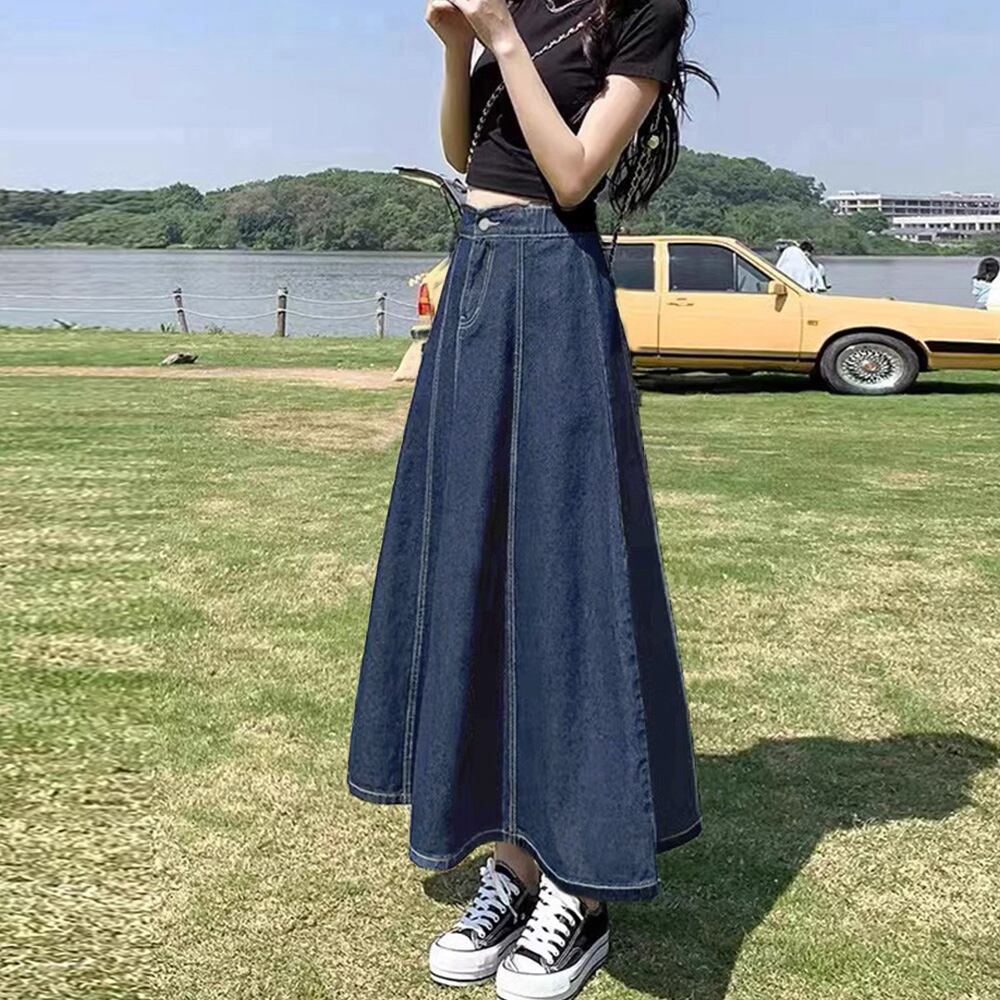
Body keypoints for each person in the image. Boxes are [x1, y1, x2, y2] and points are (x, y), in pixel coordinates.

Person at [348, 2, 711, 998]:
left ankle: (578, 886)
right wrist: (457, 52)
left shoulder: (644, 12)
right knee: (477, 561)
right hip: (476, 269)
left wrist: (502, 38)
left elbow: (573, 172)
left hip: (553, 280)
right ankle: (513, 855)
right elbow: (467, 156)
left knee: (565, 569)